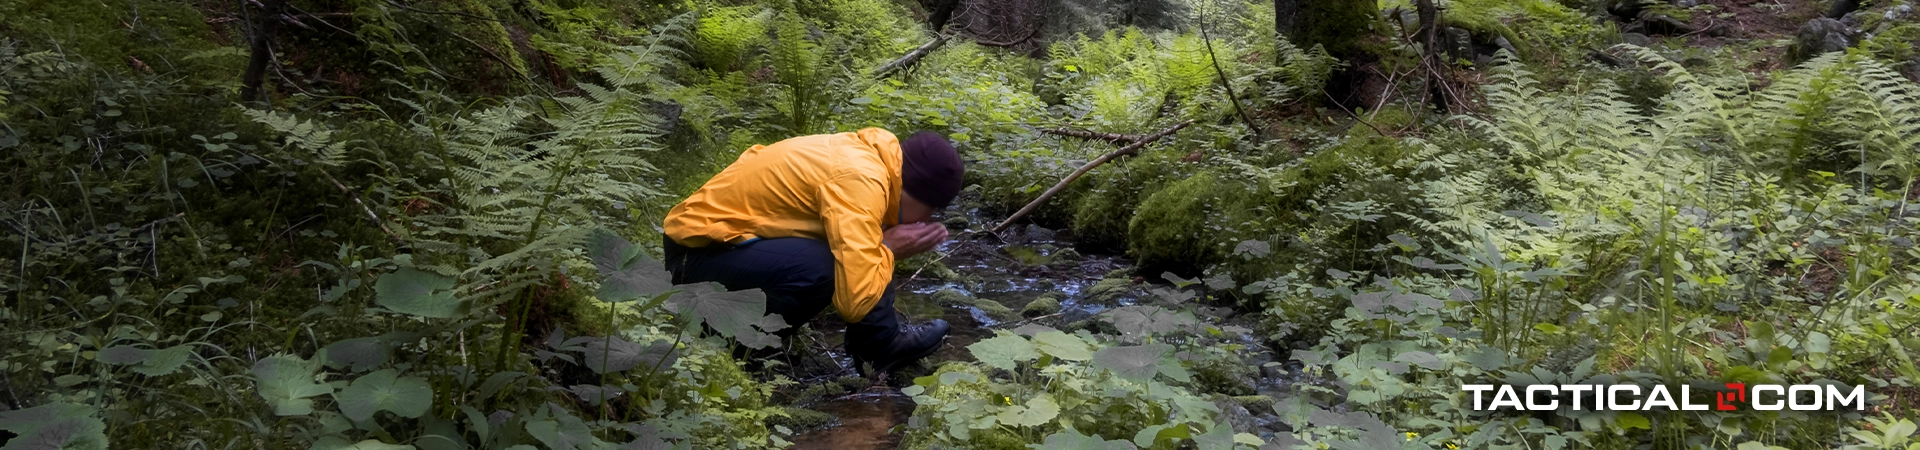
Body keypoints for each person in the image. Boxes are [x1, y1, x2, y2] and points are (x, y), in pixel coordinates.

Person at [661, 128, 959, 376]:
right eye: (930, 209)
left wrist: (881, 244)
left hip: (717, 248)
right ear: (914, 191)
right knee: (825, 267)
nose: (927, 220)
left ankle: (879, 346)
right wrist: (889, 247)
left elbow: (859, 246)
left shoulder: (872, 164)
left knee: (862, 245)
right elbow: (854, 302)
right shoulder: (861, 179)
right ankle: (736, 351)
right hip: (694, 256)